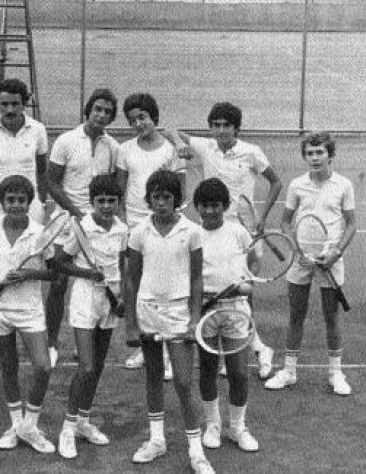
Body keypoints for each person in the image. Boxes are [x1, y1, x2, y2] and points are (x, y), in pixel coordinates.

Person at [172, 102, 282, 379]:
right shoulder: (205, 146)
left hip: (242, 234)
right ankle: (254, 348)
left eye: (226, 125)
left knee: (243, 294)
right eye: (216, 125)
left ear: (236, 128)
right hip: (212, 228)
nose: (221, 130)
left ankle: (254, 348)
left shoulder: (252, 152)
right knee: (216, 290)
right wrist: (180, 144)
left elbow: (276, 182)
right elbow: (169, 130)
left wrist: (262, 216)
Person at [124, 170, 213, 473]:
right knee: (153, 376)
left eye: (166, 197)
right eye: (156, 197)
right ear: (148, 200)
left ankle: (196, 451)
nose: (161, 203)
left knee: (184, 382)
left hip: (178, 314)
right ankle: (157, 440)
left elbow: (197, 279)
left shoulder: (192, 231)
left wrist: (195, 319)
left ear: (177, 199)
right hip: (147, 311)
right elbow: (132, 279)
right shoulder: (138, 232)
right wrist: (131, 324)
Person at [265, 131, 357, 396]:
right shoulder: (297, 185)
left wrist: (335, 253)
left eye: (320, 152)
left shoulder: (344, 185)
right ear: (305, 156)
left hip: (330, 260)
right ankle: (289, 371)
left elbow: (351, 224)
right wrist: (296, 250)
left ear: (330, 155)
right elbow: (285, 222)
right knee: (296, 315)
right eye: (310, 153)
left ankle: (335, 373)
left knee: (331, 317)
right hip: (301, 260)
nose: (315, 158)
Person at [0, 175, 57, 454]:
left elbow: (54, 273)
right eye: (10, 200)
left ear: (29, 203)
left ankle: (29, 427)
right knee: (8, 367)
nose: (15, 205)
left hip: (29, 310)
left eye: (21, 200)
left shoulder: (41, 233)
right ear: (2, 202)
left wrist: (29, 273)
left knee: (43, 367)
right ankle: (16, 425)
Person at [54, 175, 128, 459]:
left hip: (110, 298)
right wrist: (87, 273)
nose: (106, 206)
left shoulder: (122, 229)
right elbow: (60, 262)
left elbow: (121, 266)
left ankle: (83, 422)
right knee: (86, 367)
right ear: (92, 202)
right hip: (85, 296)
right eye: (101, 201)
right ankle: (67, 428)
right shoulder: (82, 227)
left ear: (119, 202)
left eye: (111, 201)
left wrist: (122, 297)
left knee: (97, 366)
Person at [46, 88, 119, 366]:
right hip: (66, 222)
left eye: (107, 112)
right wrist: (76, 213)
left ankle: (84, 343)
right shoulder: (66, 141)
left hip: (97, 226)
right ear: (88, 111)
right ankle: (51, 343)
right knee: (58, 283)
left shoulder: (113, 147)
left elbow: (110, 188)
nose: (101, 115)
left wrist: (98, 218)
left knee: (94, 282)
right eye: (97, 109)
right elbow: (52, 182)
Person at [115, 92, 183, 378]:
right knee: (137, 286)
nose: (138, 124)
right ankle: (147, 346)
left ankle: (167, 351)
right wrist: (123, 223)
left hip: (163, 227)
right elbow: (120, 190)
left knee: (163, 286)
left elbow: (180, 190)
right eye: (132, 120)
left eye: (142, 117)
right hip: (134, 226)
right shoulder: (125, 150)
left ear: (153, 117)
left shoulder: (170, 149)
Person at [194, 178, 260, 453]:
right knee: (208, 369)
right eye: (205, 206)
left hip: (235, 309)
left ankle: (237, 427)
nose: (210, 211)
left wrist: (248, 282)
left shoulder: (238, 232)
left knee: (239, 373)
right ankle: (212, 425)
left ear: (225, 206)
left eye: (216, 205)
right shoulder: (192, 235)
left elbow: (253, 262)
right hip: (205, 310)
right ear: (197, 207)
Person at [0, 78, 49, 224]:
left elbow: (43, 172)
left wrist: (41, 202)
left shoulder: (38, 130)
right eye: (4, 104)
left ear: (24, 104)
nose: (9, 110)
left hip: (30, 209)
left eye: (15, 104)